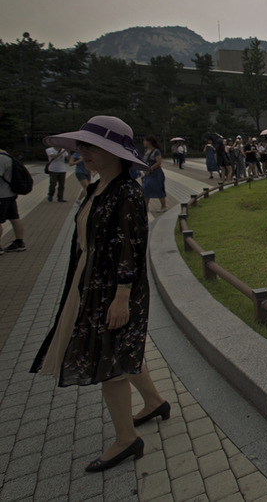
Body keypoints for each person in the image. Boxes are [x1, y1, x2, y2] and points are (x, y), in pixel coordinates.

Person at [29, 115, 170, 473]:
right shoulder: (98, 187)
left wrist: (122, 295)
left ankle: (126, 439)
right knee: (120, 349)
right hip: (91, 281)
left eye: (91, 146)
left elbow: (131, 247)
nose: (83, 152)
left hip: (114, 287)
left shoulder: (125, 191)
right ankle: (154, 401)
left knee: (110, 362)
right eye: (83, 146)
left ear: (113, 152)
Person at [0, 147, 27, 254]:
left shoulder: (1, 159)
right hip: (10, 194)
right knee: (14, 217)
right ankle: (19, 242)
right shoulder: (8, 156)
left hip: (1, 195)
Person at [141, 136, 167, 212]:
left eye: (145, 141)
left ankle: (164, 206)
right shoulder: (146, 150)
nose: (143, 142)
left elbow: (159, 162)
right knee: (145, 189)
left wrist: (150, 168)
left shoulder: (156, 151)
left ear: (150, 142)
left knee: (158, 189)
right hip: (147, 175)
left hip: (156, 174)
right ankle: (145, 207)